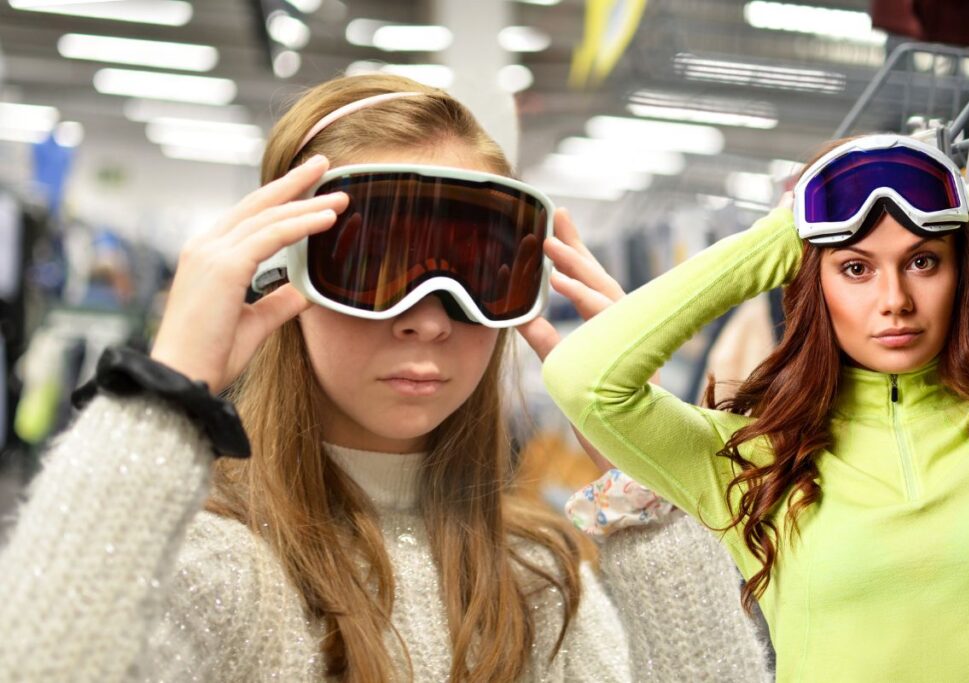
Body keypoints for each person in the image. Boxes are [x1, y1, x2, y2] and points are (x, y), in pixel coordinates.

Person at [0, 73, 770, 682]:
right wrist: (160, 400)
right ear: (281, 269)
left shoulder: (538, 583)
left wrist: (650, 481)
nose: (430, 318)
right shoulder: (209, 569)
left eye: (475, 272)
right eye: (377, 268)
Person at [544, 133, 969, 681]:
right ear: (810, 281)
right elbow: (581, 379)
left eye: (922, 261)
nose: (895, 300)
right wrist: (772, 241)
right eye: (855, 269)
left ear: (959, 270)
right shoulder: (758, 466)